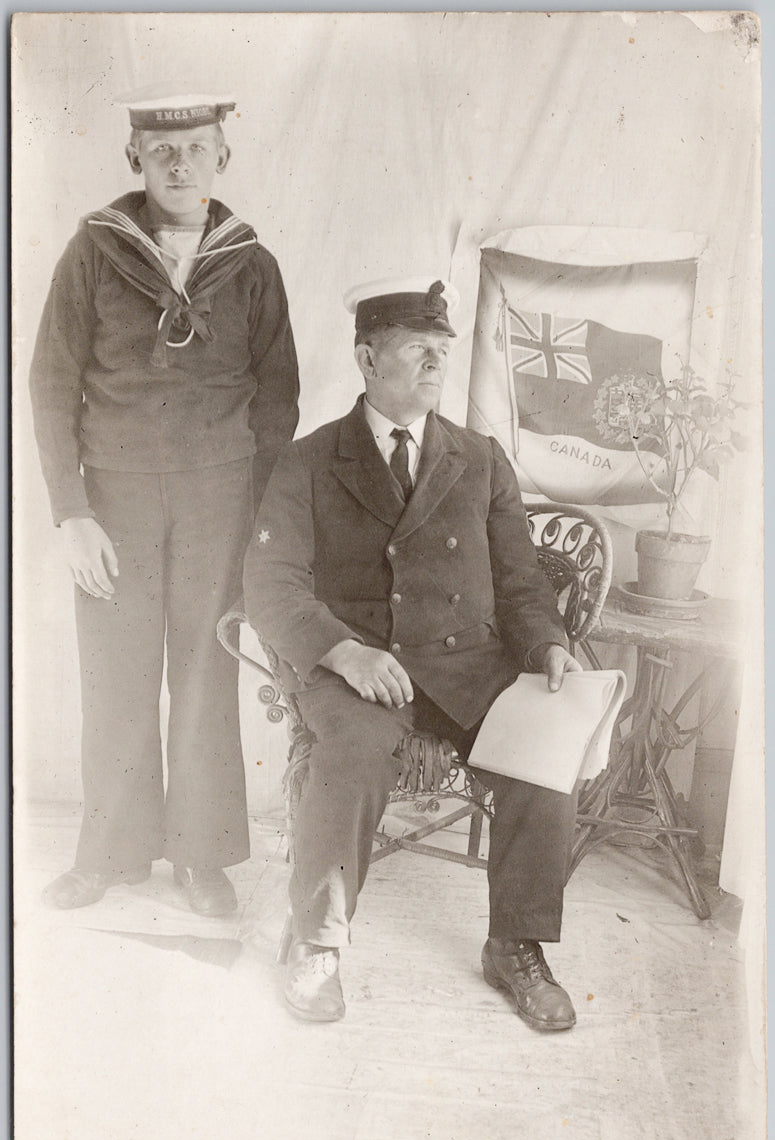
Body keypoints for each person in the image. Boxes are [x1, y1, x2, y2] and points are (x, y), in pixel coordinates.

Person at [242, 276, 583, 1028]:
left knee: (540, 746)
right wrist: (340, 652)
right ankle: (315, 945)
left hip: (465, 659)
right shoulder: (307, 461)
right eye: (417, 350)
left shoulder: (480, 457)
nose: (435, 365)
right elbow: (269, 584)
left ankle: (516, 946)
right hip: (357, 667)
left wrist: (546, 643)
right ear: (367, 358)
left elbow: (520, 580)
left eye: (441, 352)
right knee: (350, 757)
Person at [30, 86, 299, 916]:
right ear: (134, 159)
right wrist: (72, 514)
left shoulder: (250, 263)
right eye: (161, 150)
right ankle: (109, 855)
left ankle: (200, 857)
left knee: (203, 671)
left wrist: (254, 521)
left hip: (218, 504)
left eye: (196, 148)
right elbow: (50, 384)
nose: (179, 164)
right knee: (116, 675)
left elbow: (277, 400)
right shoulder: (93, 252)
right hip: (113, 503)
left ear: (223, 156)